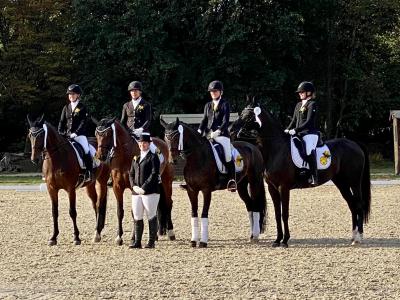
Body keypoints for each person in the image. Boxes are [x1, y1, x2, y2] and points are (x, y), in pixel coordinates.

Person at [198, 80, 237, 192]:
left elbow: (226, 121)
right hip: (209, 134)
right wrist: (200, 130)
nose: (213, 93)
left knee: (227, 155)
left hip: (222, 135)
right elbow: (204, 120)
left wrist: (219, 131)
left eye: (215, 91)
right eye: (211, 91)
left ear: (221, 92)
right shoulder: (207, 105)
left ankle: (232, 180)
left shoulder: (225, 104)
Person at [129, 132, 160, 249]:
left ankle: (151, 242)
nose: (143, 145)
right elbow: (131, 174)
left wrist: (144, 187)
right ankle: (137, 241)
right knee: (137, 215)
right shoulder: (135, 158)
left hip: (150, 191)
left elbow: (154, 173)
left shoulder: (153, 157)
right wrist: (134, 186)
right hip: (136, 192)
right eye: (141, 143)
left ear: (149, 144)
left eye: (145, 143)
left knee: (151, 215)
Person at [284, 81, 319, 185]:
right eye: (299, 92)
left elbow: (308, 121)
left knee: (308, 150)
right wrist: (287, 129)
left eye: (302, 92)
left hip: (310, 133)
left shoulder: (312, 104)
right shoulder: (299, 104)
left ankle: (314, 176)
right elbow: (294, 120)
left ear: (309, 92)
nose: (300, 93)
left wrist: (296, 130)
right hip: (299, 133)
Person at [58, 84, 93, 182]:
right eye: (69, 94)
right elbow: (62, 121)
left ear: (78, 95)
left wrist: (76, 133)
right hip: (67, 135)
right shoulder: (66, 107)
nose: (71, 96)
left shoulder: (82, 107)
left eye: (73, 94)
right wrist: (61, 132)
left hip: (79, 135)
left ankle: (88, 172)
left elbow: (83, 122)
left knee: (86, 150)